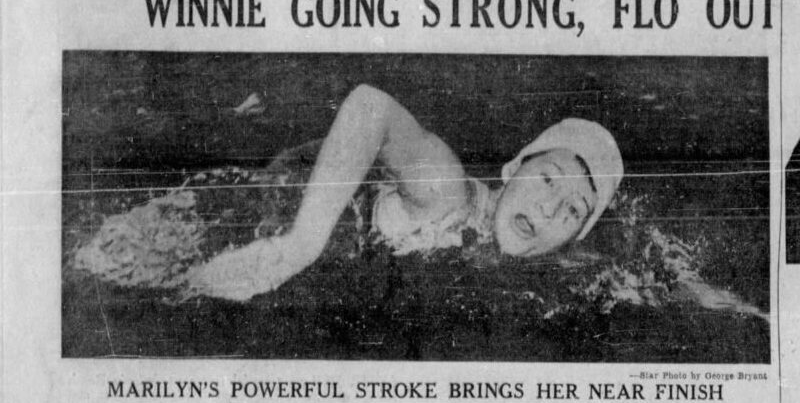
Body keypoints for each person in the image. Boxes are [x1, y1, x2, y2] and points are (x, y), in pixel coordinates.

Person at [178, 84, 621, 301]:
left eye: (573, 210)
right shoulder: (449, 193)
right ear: (514, 169)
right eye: (548, 178)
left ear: (575, 236)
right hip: (274, 200)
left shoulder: (552, 262)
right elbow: (369, 105)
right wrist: (300, 246)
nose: (549, 208)